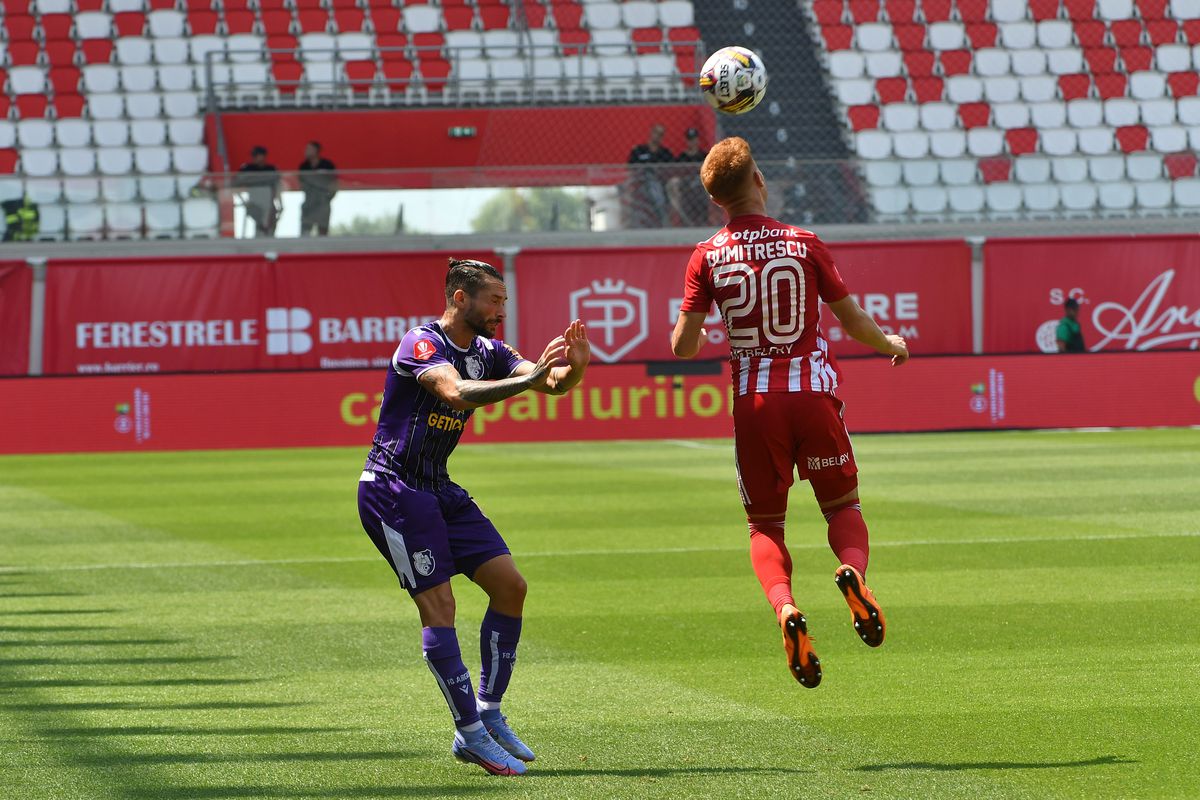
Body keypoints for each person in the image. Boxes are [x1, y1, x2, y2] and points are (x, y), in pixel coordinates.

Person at [670, 137, 909, 688]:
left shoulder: (706, 255)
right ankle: (852, 573)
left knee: (765, 524)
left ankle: (785, 609)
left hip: (755, 405)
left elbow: (682, 347)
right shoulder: (803, 243)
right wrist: (890, 343)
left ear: (715, 199)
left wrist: (706, 331)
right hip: (812, 396)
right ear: (759, 180)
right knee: (842, 506)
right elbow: (852, 323)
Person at [357, 258, 590, 776]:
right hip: (394, 489)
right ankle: (469, 734)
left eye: (504, 301)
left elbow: (547, 382)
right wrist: (530, 385)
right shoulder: (421, 344)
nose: (501, 311)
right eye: (494, 301)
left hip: (439, 488)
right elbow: (455, 392)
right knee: (440, 605)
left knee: (511, 587)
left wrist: (574, 367)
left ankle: (488, 712)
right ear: (460, 299)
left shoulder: (490, 351)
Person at [626, 124, 674, 228]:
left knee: (654, 185)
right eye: (656, 133)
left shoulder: (665, 153)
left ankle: (662, 222)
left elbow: (671, 171)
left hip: (660, 184)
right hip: (640, 184)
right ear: (651, 133)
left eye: (661, 134)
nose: (658, 136)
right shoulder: (639, 150)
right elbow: (631, 169)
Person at [233, 145, 280, 237]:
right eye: (253, 156)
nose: (254, 158)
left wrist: (252, 179)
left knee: (269, 225)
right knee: (259, 222)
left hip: (268, 201)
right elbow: (237, 181)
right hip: (253, 201)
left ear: (263, 156)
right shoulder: (247, 168)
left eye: (257, 155)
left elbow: (275, 182)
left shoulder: (270, 169)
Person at [669, 128, 710, 227]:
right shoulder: (681, 157)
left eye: (694, 139)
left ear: (698, 140)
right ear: (687, 141)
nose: (692, 142)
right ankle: (685, 221)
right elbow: (677, 174)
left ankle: (703, 221)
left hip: (700, 185)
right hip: (686, 185)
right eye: (690, 139)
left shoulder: (704, 155)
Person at [298, 141, 338, 237]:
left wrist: (328, 198)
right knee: (305, 230)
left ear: (315, 150)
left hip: (323, 203)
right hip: (308, 203)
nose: (306, 151)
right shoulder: (303, 167)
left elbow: (334, 183)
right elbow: (301, 184)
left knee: (323, 230)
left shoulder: (327, 165)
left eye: (308, 149)